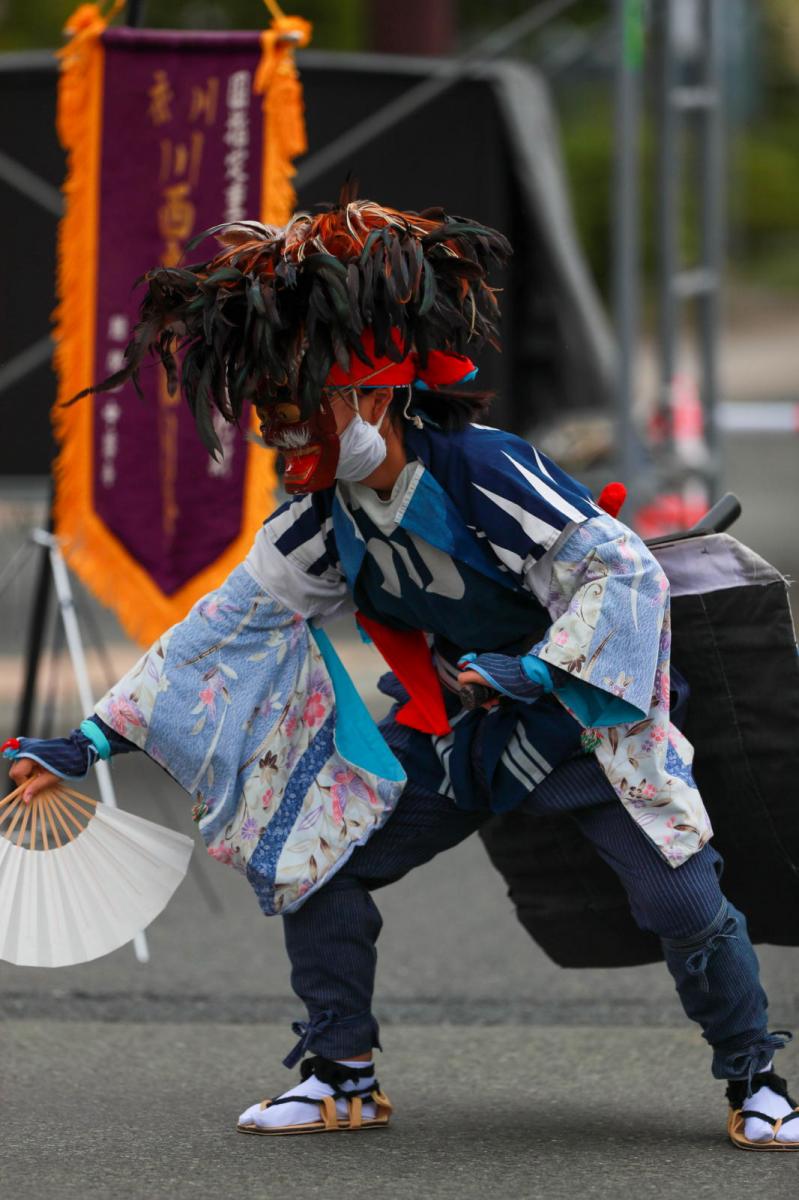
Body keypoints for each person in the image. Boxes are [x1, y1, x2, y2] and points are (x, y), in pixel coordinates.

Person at [5, 190, 797, 1150]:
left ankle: (756, 1079)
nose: (279, 436)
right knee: (317, 862)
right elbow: (223, 632)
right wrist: (89, 742)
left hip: (583, 726)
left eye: (295, 409)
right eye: (267, 413)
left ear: (372, 398)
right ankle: (340, 1072)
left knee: (681, 900)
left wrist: (532, 672)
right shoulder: (321, 515)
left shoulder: (485, 471)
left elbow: (622, 572)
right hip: (457, 730)